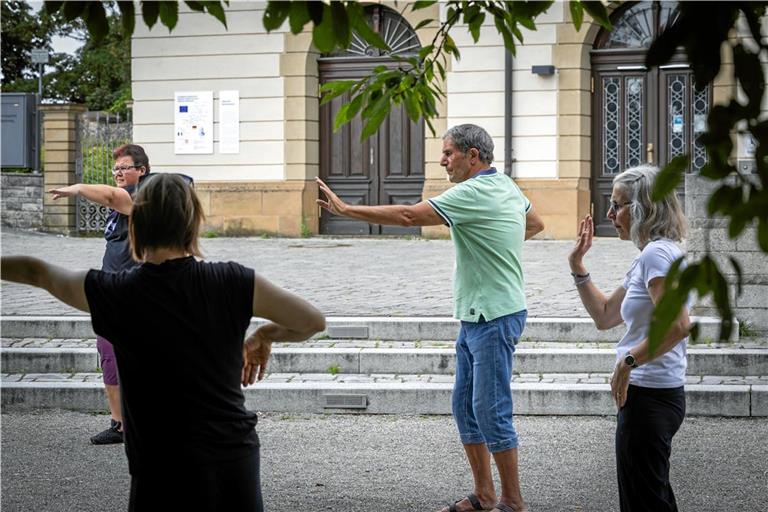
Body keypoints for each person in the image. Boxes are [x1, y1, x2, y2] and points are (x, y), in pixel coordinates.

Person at [2, 173, 326, 511]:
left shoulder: (114, 292)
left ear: (136, 223)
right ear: (193, 222)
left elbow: (35, 271)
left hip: (158, 465)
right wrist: (264, 334)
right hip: (231, 458)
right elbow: (311, 321)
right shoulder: (232, 281)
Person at [316, 124, 544, 512]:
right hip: (478, 314)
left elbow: (408, 215)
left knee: (490, 408)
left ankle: (513, 500)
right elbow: (535, 223)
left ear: (473, 157)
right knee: (464, 406)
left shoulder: (471, 192)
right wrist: (496, 240)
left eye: (449, 153)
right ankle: (485, 495)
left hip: (495, 315)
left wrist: (346, 209)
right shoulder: (505, 186)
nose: (442, 161)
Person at [568, 165, 690, 512]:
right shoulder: (652, 256)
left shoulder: (656, 255)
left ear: (643, 208)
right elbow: (605, 315)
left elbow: (679, 325)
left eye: (617, 205)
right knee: (651, 496)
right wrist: (578, 265)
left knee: (644, 502)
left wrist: (628, 360)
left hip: (650, 396)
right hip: (652, 395)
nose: (610, 214)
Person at [49, 144, 148, 444]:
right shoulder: (121, 204)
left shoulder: (142, 196)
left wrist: (77, 188)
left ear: (141, 170)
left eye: (125, 167)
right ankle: (120, 425)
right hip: (111, 293)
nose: (119, 173)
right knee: (108, 355)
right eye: (116, 168)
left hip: (137, 294)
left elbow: (111, 196)